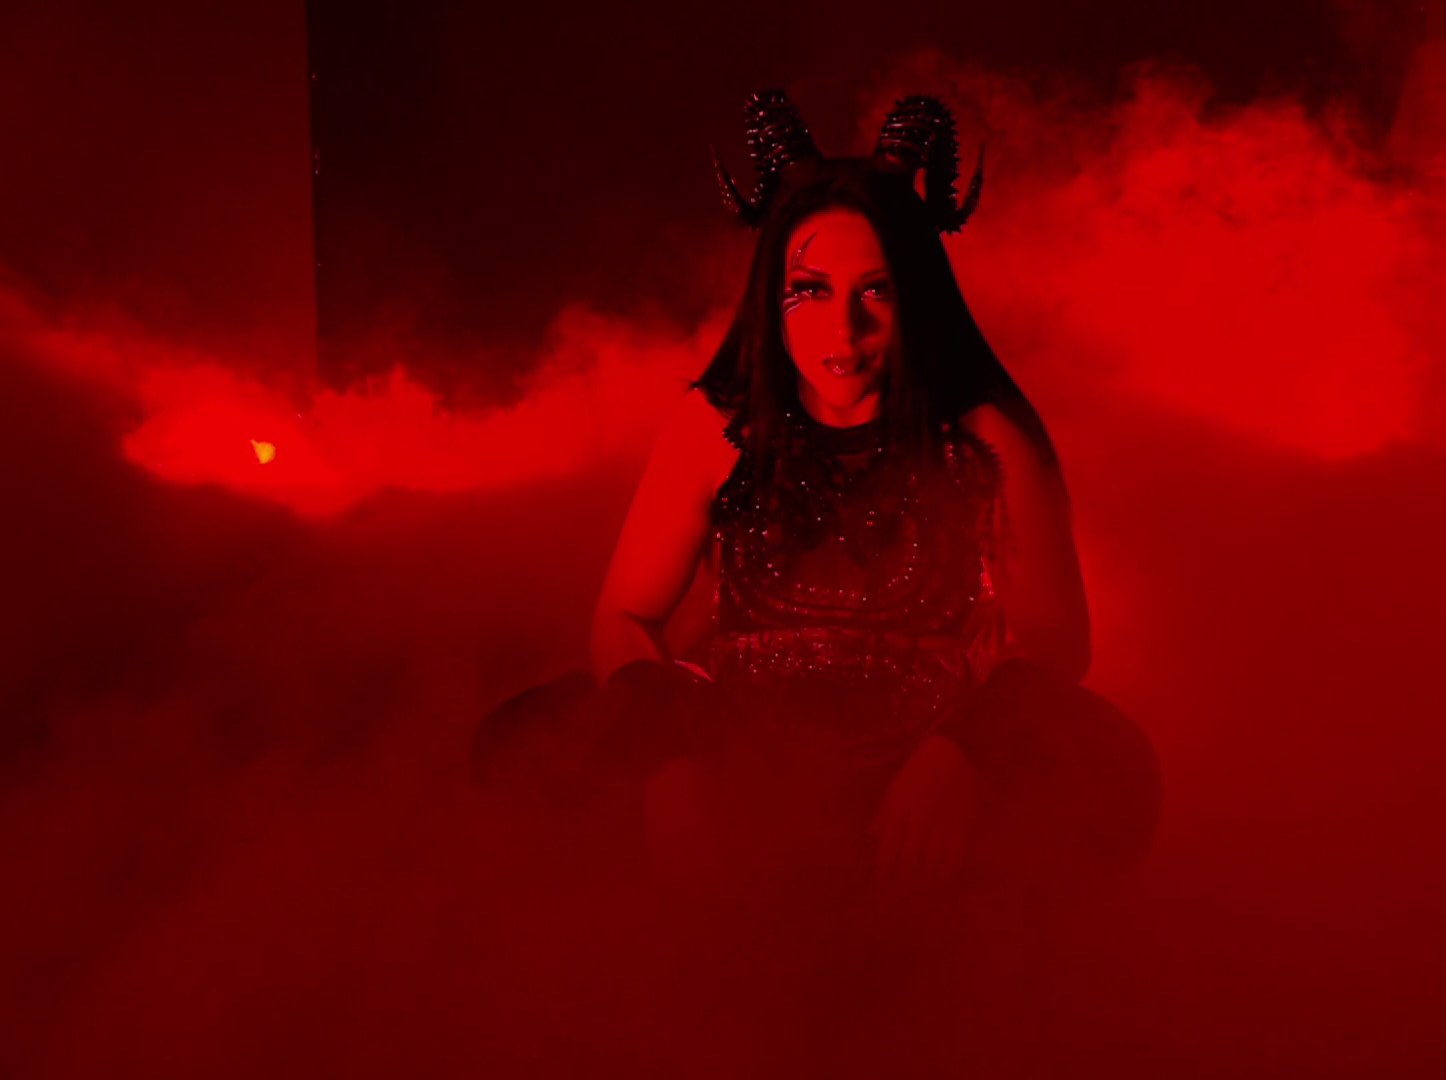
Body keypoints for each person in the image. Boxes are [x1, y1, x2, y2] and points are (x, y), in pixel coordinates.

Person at [472, 91, 1158, 896]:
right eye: (812, 290)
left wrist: (964, 751)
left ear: (917, 294)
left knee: (1105, 765)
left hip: (923, 760)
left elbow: (1056, 638)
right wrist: (664, 758)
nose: (844, 332)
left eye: (876, 291)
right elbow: (620, 617)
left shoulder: (983, 439)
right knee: (526, 744)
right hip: (736, 754)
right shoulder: (715, 428)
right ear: (772, 295)